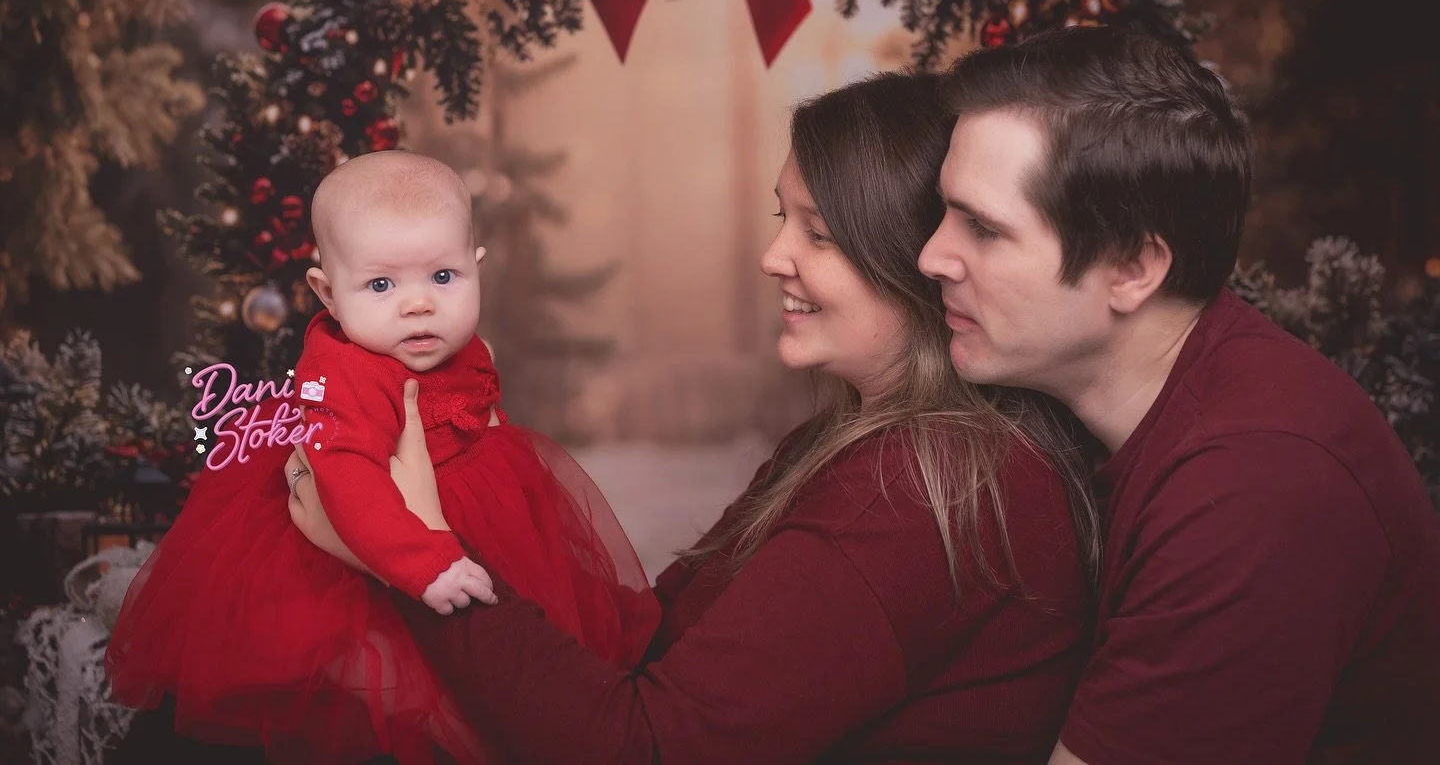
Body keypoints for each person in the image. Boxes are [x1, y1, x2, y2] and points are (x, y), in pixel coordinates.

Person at [290, 71, 1101, 764]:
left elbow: (644, 748)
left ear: (913, 256)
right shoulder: (850, 439)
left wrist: (417, 558)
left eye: (818, 234)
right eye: (785, 219)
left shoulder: (917, 496)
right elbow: (659, 627)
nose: (774, 256)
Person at [916, 25, 1440, 764]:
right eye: (945, 212)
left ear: (1132, 267)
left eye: (984, 229)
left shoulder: (1256, 483)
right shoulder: (1139, 417)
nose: (931, 254)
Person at [107, 151, 658, 765]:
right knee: (379, 684)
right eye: (381, 285)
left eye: (443, 277)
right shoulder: (344, 373)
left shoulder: (461, 346)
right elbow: (344, 477)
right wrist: (426, 561)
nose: (418, 304)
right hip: (372, 529)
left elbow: (479, 411)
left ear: (476, 269)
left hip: (465, 511)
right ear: (328, 294)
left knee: (509, 669)